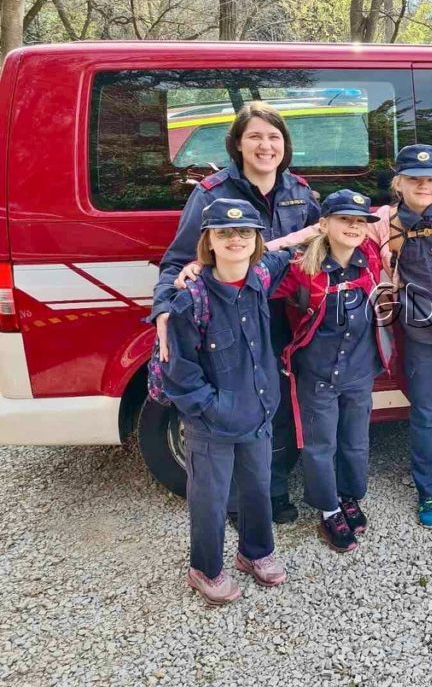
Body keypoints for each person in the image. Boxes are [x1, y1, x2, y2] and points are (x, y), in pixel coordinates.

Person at [274, 145, 432, 528]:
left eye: (431, 179)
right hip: (420, 337)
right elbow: (316, 230)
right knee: (425, 415)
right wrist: (254, 251)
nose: (423, 186)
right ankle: (428, 490)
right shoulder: (383, 221)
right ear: (399, 183)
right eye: (414, 179)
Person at [152, 101, 320, 525]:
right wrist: (163, 311)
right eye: (255, 137)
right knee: (229, 411)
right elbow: (177, 261)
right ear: (238, 144)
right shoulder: (212, 193)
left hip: (284, 317)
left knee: (278, 408)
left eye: (274, 137)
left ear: (285, 145)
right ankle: (235, 502)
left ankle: (272, 492)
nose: (266, 146)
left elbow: (327, 237)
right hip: (228, 318)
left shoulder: (300, 192)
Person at [161, 199, 295, 606]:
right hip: (211, 424)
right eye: (224, 232)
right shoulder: (190, 300)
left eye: (245, 232)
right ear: (208, 241)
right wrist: (211, 408)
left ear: (257, 241)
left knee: (258, 487)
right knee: (210, 499)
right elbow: (179, 372)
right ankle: (204, 569)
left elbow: (295, 248)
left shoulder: (261, 277)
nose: (235, 239)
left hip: (258, 413)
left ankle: (255, 552)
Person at [271, 190, 393, 552]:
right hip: (318, 375)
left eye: (360, 221)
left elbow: (398, 214)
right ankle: (328, 509)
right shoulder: (301, 267)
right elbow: (255, 273)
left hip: (359, 371)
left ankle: (348, 495)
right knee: (320, 444)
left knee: (355, 441)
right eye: (344, 219)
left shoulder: (369, 257)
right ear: (324, 224)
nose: (354, 227)